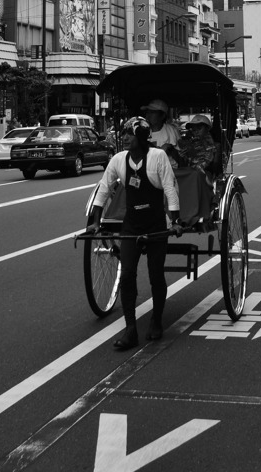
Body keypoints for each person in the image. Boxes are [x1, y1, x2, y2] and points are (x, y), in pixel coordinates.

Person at [87, 116, 180, 350]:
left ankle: (156, 320)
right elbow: (104, 189)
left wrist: (175, 221)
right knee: (127, 274)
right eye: (124, 133)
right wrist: (96, 221)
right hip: (131, 225)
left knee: (156, 274)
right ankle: (130, 329)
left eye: (129, 133)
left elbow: (170, 188)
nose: (125, 137)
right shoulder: (118, 160)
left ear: (140, 136)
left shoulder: (158, 157)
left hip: (156, 224)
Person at [139, 99, 182, 165]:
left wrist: (171, 149)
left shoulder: (172, 130)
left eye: (152, 112)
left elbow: (181, 157)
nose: (148, 116)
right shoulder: (141, 132)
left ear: (162, 116)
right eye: (147, 112)